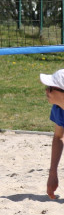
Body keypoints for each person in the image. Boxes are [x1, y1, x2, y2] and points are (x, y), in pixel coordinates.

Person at [39, 69, 64, 199]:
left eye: (50, 88)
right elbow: (59, 137)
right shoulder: (59, 109)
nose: (46, 91)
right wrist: (53, 173)